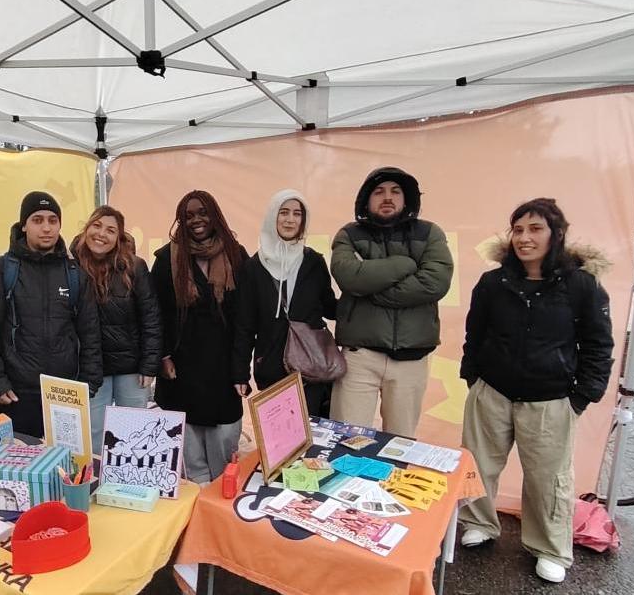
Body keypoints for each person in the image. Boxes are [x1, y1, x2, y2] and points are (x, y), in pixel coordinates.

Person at [458, 198, 614, 584]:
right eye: (518, 230)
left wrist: (582, 396)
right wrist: (473, 375)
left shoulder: (581, 285)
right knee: (479, 464)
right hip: (492, 390)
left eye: (535, 229)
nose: (525, 238)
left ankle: (548, 548)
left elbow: (598, 345)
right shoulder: (494, 282)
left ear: (555, 234)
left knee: (549, 478)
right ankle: (479, 523)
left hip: (550, 398)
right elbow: (474, 334)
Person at [330, 167, 453, 437]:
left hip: (412, 357)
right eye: (379, 191)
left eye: (395, 191)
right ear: (366, 199)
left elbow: (435, 282)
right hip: (359, 356)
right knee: (347, 439)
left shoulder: (430, 233)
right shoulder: (349, 234)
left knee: (401, 442)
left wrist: (371, 286)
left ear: (406, 198)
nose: (388, 197)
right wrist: (405, 265)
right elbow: (349, 277)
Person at [0, 191, 102, 438]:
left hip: (65, 393)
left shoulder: (74, 273)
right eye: (37, 220)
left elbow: (90, 332)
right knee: (19, 470)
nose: (46, 228)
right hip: (16, 394)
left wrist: (89, 382)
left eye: (53, 220)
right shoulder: (0, 269)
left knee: (67, 470)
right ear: (24, 225)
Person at [151, 190, 249, 483]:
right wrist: (163, 355)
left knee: (224, 446)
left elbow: (245, 317)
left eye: (203, 213)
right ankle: (197, 503)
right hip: (182, 366)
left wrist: (241, 369)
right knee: (191, 457)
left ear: (215, 215)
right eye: (189, 215)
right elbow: (157, 313)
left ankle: (220, 502)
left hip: (223, 365)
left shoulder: (236, 254)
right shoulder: (166, 258)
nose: (196, 220)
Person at [233, 189, 337, 416]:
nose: (290, 219)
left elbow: (330, 308)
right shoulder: (253, 267)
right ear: (273, 216)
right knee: (279, 437)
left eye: (297, 214)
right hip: (271, 365)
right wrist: (240, 372)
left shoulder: (313, 262)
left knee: (312, 434)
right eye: (284, 212)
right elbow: (245, 324)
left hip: (311, 366)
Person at [72, 206, 161, 451]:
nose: (102, 234)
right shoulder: (70, 266)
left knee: (133, 432)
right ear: (86, 229)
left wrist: (149, 364)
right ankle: (94, 484)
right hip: (89, 369)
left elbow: (151, 318)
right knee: (92, 434)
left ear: (118, 237)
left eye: (111, 230)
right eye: (97, 226)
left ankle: (127, 485)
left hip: (130, 368)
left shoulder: (134, 267)